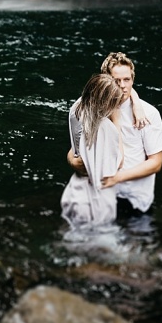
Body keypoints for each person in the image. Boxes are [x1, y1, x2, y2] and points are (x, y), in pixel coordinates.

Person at [66, 52, 162, 214]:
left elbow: (155, 163)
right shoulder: (91, 107)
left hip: (132, 198)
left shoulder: (148, 113)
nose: (123, 86)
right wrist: (72, 161)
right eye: (116, 81)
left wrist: (116, 178)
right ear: (106, 80)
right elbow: (75, 149)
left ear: (133, 79)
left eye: (127, 80)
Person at [60, 74, 127, 228]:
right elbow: (117, 162)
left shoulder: (77, 108)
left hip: (75, 191)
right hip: (95, 201)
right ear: (106, 104)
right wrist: (116, 121)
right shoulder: (103, 127)